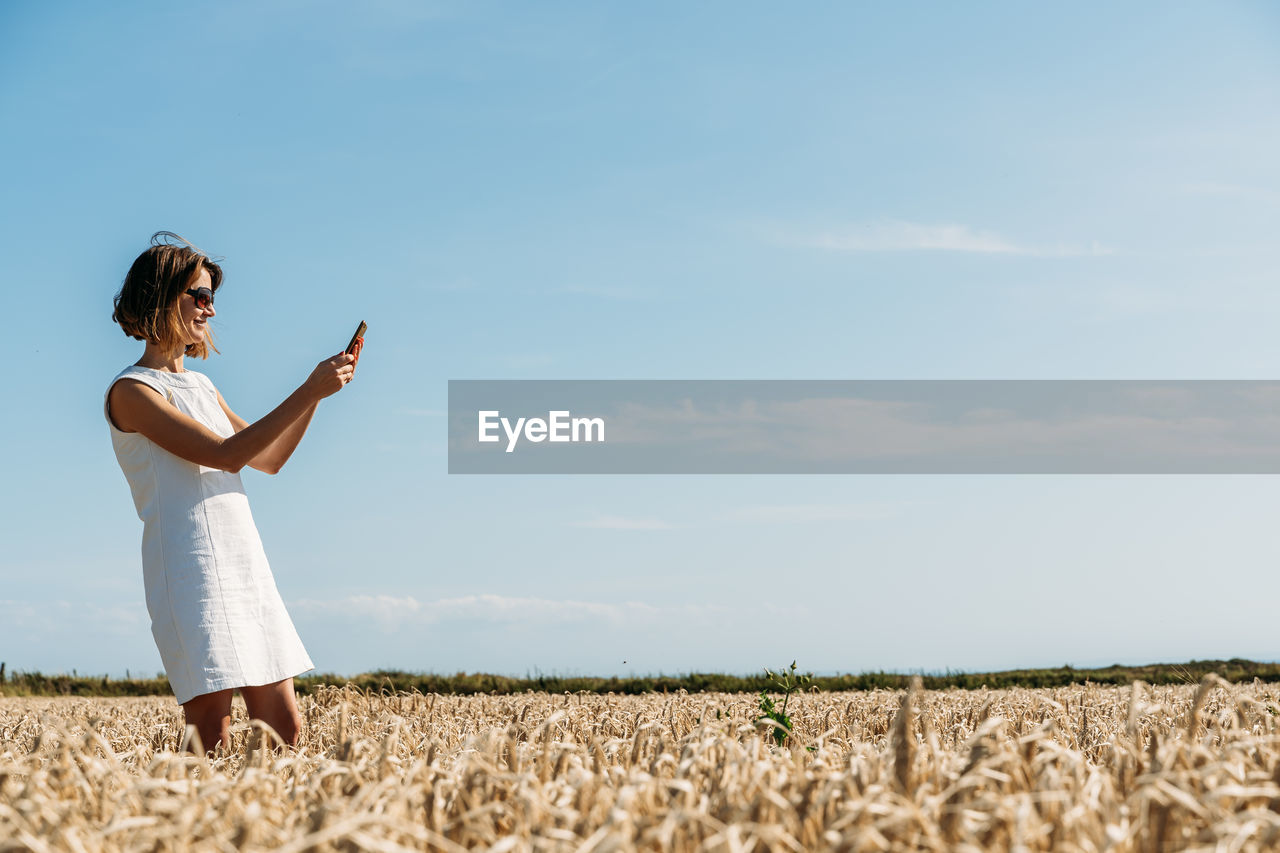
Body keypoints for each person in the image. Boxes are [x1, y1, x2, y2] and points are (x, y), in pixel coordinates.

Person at [104, 232, 358, 753]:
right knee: (210, 734)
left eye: (212, 298)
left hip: (243, 562)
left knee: (284, 728)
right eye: (199, 296)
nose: (210, 309)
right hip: (189, 566)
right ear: (160, 297)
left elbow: (269, 458)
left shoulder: (201, 386)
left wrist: (319, 397)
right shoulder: (131, 392)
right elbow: (225, 454)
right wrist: (308, 388)